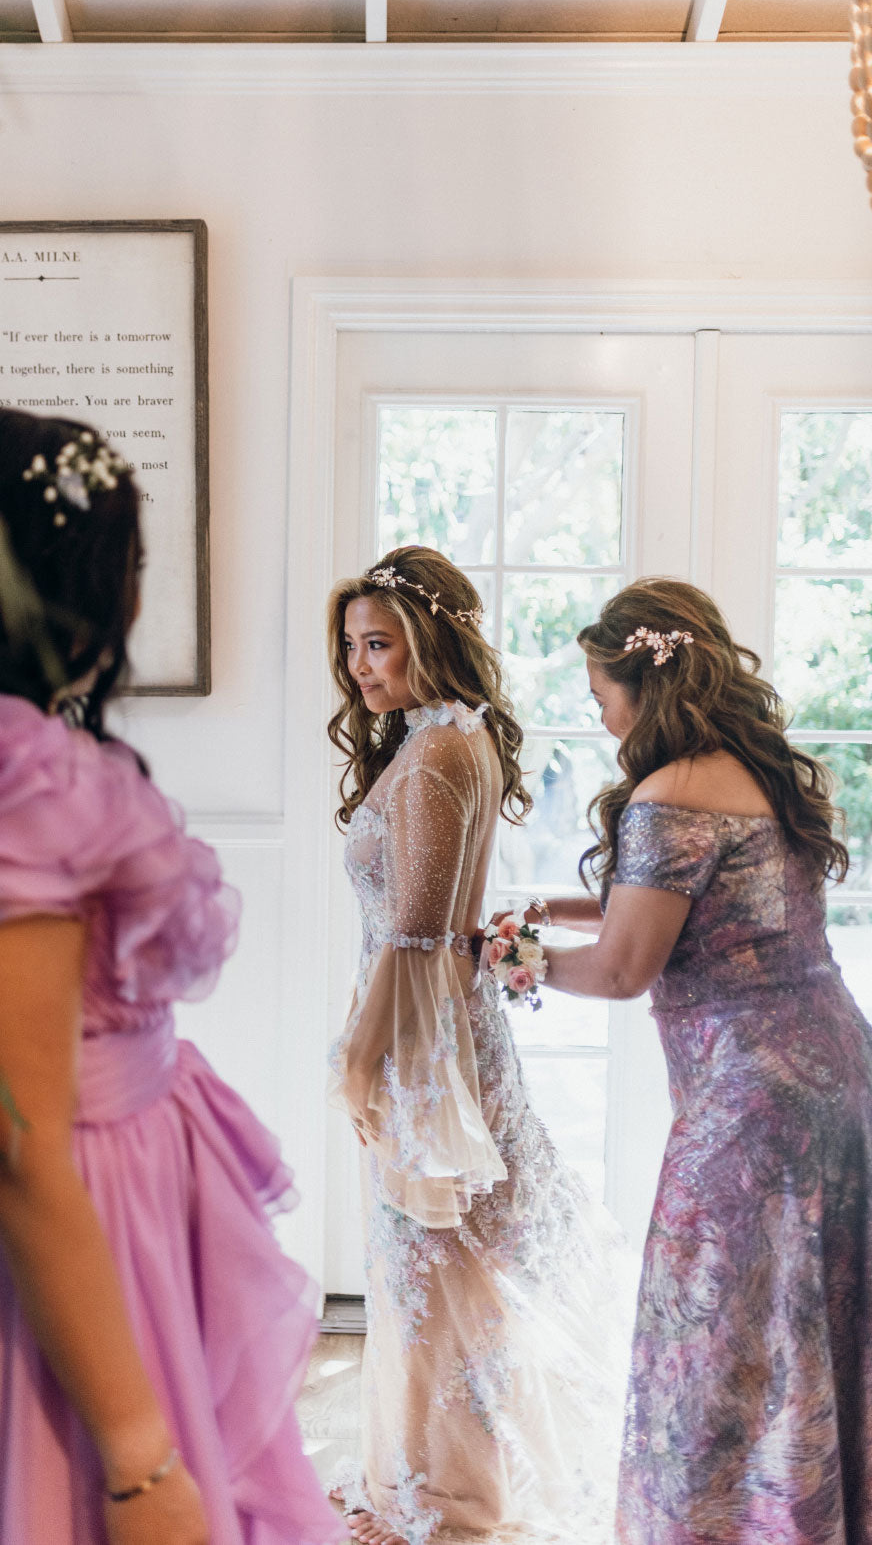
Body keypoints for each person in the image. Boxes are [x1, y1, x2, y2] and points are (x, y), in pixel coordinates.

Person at [0, 407, 343, 1545]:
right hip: (55, 1220)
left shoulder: (18, 760)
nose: (135, 591)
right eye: (124, 560)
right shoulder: (7, 790)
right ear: (62, 583)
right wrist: (141, 1466)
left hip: (110, 1200)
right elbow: (16, 1141)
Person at [533, 575, 872, 1545]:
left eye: (602, 700)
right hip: (841, 1078)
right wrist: (544, 911)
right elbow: (687, 910)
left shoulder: (666, 793)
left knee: (716, 1337)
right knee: (815, 1325)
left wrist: (504, 960)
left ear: (645, 691)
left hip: (749, 1109)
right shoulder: (765, 776)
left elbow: (624, 966)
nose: (602, 722)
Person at [325, 546, 627, 1545]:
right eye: (355, 646)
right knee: (430, 1279)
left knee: (437, 1282)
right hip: (433, 1035)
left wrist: (357, 1054)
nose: (363, 666)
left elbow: (415, 929)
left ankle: (449, 1508)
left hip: (424, 1049)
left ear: (433, 639)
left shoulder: (443, 747)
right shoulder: (436, 740)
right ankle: (421, 1485)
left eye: (382, 643)